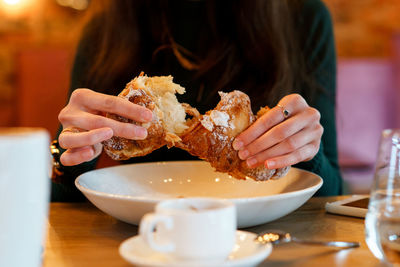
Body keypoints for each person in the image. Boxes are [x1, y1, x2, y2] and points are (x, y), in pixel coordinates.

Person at [52, 0, 343, 201]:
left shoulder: (302, 17)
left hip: (268, 234)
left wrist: (304, 149)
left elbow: (332, 194)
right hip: (143, 235)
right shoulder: (105, 30)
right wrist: (72, 155)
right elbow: (60, 195)